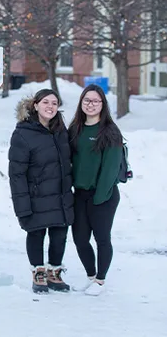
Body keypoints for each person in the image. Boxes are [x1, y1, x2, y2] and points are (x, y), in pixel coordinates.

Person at [8, 89, 74, 294]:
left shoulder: (62, 131)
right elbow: (17, 174)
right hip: (36, 195)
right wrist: (22, 205)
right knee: (36, 233)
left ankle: (54, 271)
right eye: (46, 102)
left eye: (54, 103)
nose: (50, 107)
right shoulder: (22, 133)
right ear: (35, 105)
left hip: (60, 194)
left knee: (59, 234)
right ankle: (38, 272)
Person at [69, 84, 122, 296]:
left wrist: (99, 198)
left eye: (95, 101)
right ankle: (91, 277)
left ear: (103, 104)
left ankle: (100, 281)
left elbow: (110, 168)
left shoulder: (109, 131)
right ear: (81, 103)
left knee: (102, 238)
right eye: (87, 101)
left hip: (103, 195)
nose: (91, 105)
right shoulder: (75, 129)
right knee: (80, 239)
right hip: (79, 194)